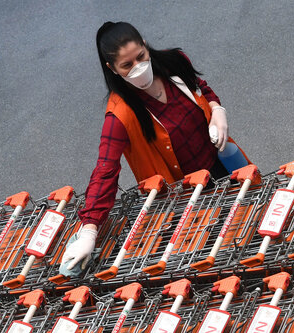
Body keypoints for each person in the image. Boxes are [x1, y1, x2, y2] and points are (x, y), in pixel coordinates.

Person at [61, 21, 248, 270]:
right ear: (112, 68)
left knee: (248, 226)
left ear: (146, 46)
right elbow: (105, 169)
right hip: (187, 199)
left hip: (224, 168)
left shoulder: (174, 62)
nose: (138, 68)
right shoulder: (120, 114)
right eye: (127, 65)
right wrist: (89, 232)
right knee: (217, 255)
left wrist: (216, 108)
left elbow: (200, 88)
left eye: (141, 57)